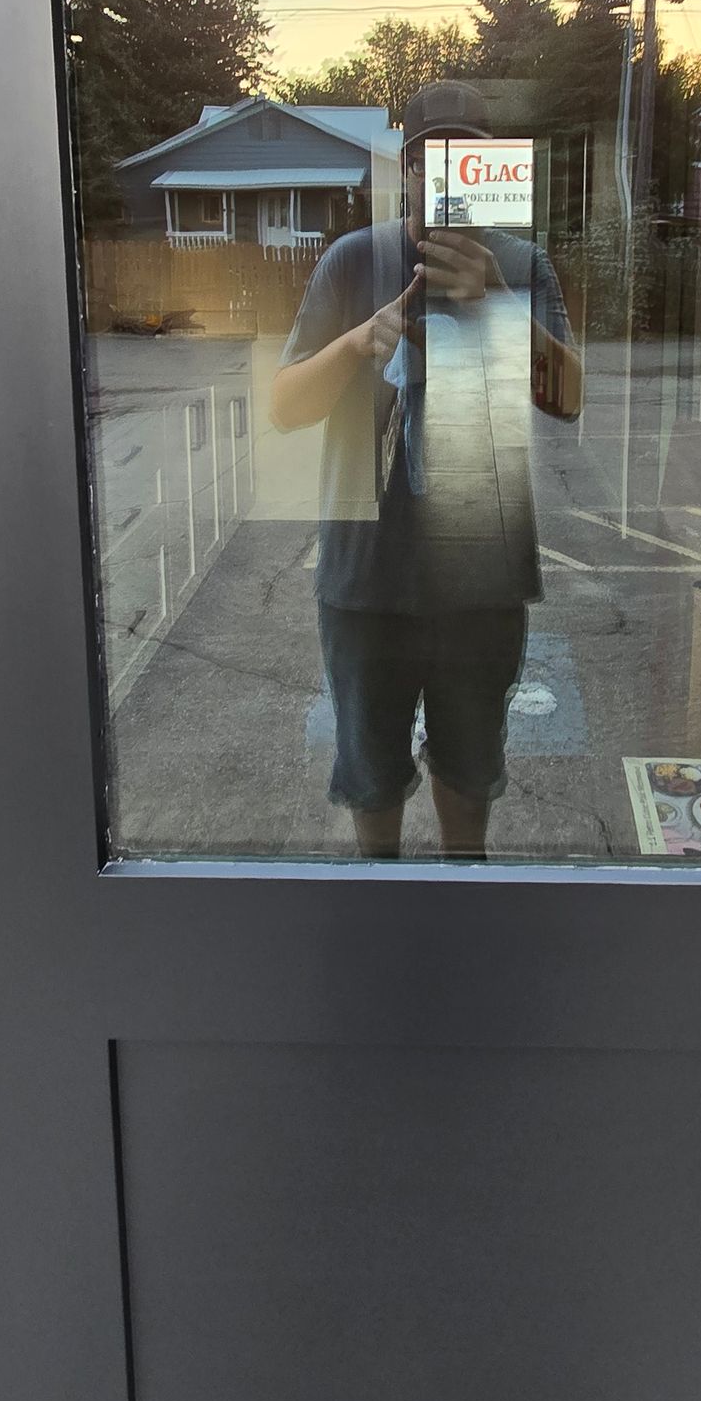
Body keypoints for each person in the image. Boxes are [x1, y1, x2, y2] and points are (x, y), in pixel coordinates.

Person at [269, 81, 583, 856]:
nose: (447, 173)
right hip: (364, 577)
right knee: (370, 780)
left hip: (481, 579)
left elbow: (569, 399)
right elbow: (283, 407)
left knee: (470, 776)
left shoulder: (519, 262)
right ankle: (385, 913)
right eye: (430, 158)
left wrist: (501, 302)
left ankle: (459, 902)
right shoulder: (355, 259)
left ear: (489, 170)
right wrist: (356, 344)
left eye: (468, 157)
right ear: (406, 168)